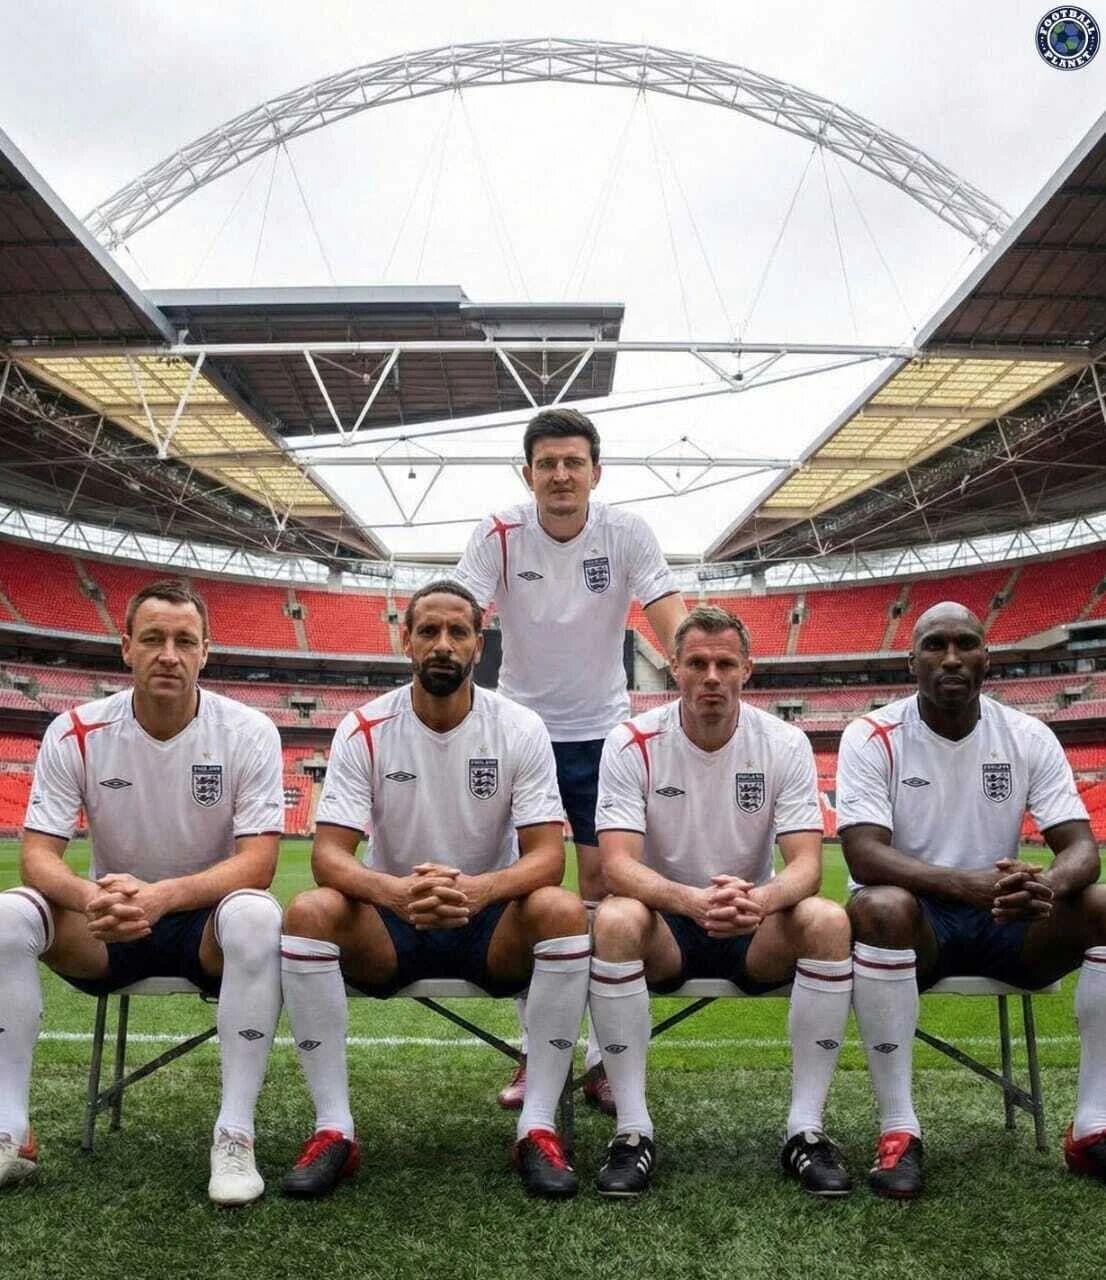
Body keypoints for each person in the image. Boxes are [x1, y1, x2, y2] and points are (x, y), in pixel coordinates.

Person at [278, 580, 590, 1199]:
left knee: (561, 909)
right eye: (429, 631)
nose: (443, 644)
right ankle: (333, 1129)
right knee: (309, 912)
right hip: (394, 923)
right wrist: (395, 893)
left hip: (489, 926)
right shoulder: (365, 727)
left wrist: (478, 891)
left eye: (458, 632)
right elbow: (328, 855)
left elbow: (548, 858)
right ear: (407, 641)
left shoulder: (519, 727)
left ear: (479, 645)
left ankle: (537, 1127)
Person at [0, 580, 285, 1205]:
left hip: (208, 927)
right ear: (126, 647)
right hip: (107, 926)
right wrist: (89, 897)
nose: (168, 655)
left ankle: (235, 1133)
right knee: (7, 915)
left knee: (257, 916)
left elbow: (258, 862)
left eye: (184, 641)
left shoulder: (249, 731)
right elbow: (38, 856)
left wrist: (162, 897)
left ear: (205, 652)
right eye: (153, 639)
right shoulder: (75, 731)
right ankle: (10, 1131)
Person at [455, 406, 687, 1112]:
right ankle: (538, 1051)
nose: (560, 474)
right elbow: (459, 614)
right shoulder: (498, 533)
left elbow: (668, 612)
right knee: (533, 897)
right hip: (519, 735)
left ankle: (604, 1059)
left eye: (573, 462)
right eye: (547, 463)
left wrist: (698, 665)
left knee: (606, 893)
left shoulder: (626, 532)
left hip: (603, 734)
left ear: (596, 472)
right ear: (527, 474)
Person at [837, 601, 1106, 1199]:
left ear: (989, 659)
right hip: (917, 926)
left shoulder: (1027, 735)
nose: (952, 658)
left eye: (966, 644)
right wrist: (966, 885)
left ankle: (1093, 1126)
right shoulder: (872, 734)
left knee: (1103, 905)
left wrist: (1043, 885)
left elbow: (1082, 850)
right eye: (935, 645)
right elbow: (863, 855)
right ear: (911, 662)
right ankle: (899, 1130)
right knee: (880, 906)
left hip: (1005, 920)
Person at [589, 605, 853, 1197]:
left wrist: (759, 900)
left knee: (828, 920)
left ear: (746, 670)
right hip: (667, 926)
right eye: (698, 664)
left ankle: (806, 1130)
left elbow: (807, 866)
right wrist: (690, 900)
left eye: (725, 664)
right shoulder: (631, 741)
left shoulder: (784, 742)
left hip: (751, 925)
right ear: (675, 669)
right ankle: (632, 1131)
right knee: (615, 917)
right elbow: (617, 865)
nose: (712, 676)